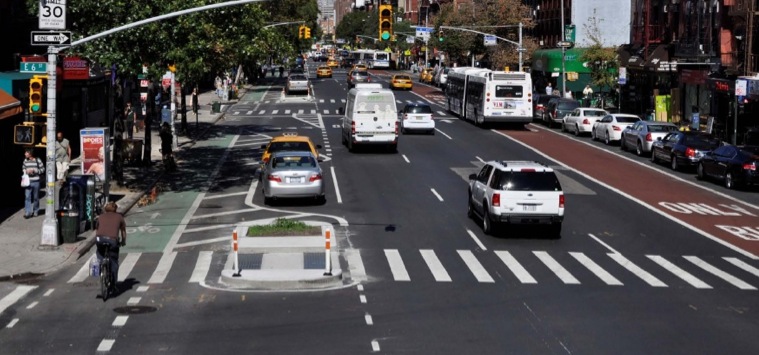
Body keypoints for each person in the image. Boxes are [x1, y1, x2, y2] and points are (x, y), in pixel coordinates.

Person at [95, 201, 126, 290]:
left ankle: (101, 265)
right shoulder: (119, 217)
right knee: (114, 261)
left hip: (100, 240)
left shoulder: (101, 217)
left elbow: (97, 229)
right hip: (112, 241)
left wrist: (98, 239)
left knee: (99, 253)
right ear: (115, 209)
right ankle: (113, 284)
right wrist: (123, 241)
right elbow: (123, 231)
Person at [22, 149, 44, 219]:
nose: (25, 154)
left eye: (26, 152)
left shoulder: (38, 160)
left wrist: (34, 171)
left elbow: (43, 169)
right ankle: (27, 212)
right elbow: (23, 168)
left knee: (36, 197)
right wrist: (26, 171)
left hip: (36, 181)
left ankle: (36, 211)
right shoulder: (25, 160)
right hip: (28, 182)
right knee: (27, 197)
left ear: (30, 153)